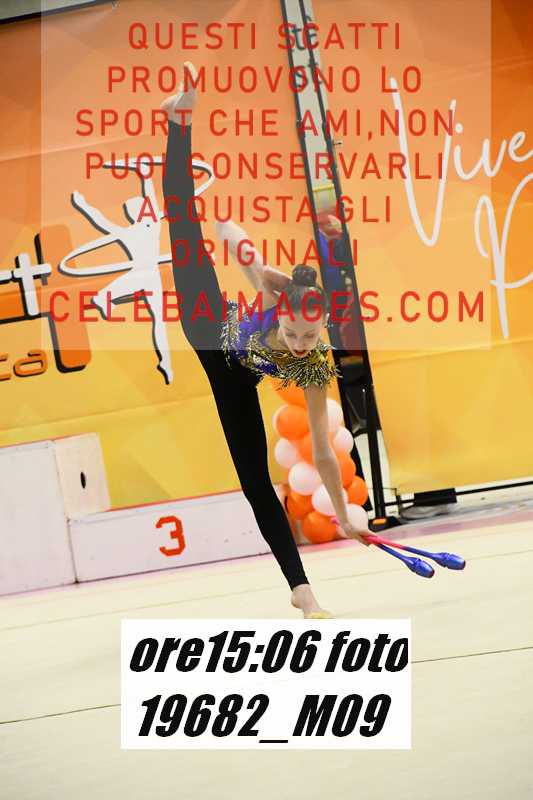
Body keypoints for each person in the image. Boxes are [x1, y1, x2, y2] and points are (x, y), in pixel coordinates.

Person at [159, 62, 370, 620]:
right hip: (209, 323)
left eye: (308, 336)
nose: (298, 343)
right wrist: (252, 259)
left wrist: (344, 515)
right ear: (282, 313)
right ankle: (178, 122)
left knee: (256, 484)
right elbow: (227, 234)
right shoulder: (273, 293)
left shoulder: (314, 365)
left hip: (234, 381)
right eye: (293, 333)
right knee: (183, 222)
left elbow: (323, 452)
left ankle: (302, 592)